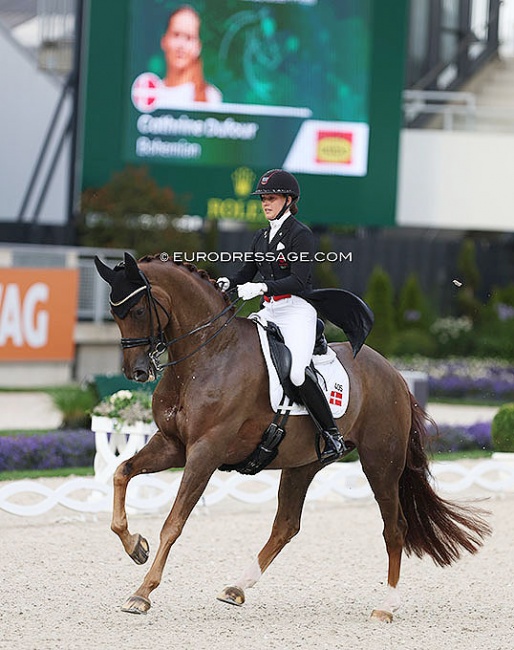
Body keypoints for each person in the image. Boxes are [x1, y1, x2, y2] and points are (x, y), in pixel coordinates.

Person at [217, 169, 348, 464]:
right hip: (270, 310)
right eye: (263, 198)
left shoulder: (301, 235)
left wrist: (261, 286)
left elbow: (300, 280)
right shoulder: (261, 236)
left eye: (271, 198)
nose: (266, 203)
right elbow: (246, 272)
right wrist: (229, 283)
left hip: (297, 310)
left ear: (289, 200)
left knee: (298, 372)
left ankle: (332, 435)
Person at [160, 5, 222, 103]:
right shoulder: (150, 94)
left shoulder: (211, 96)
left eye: (189, 38)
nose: (181, 45)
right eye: (176, 35)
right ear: (164, 41)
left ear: (198, 47)